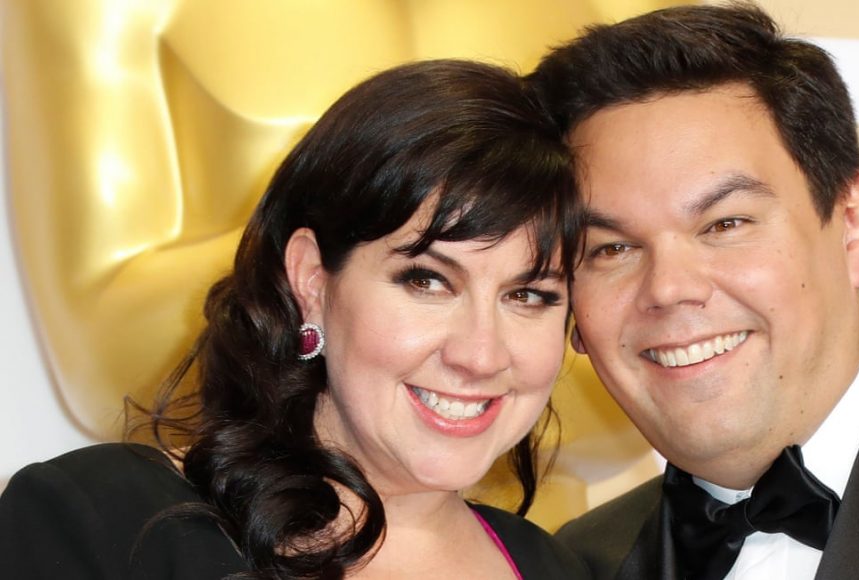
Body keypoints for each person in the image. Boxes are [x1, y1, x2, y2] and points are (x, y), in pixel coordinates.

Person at [529, 3, 859, 579]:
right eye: (611, 249)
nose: (669, 288)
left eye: (725, 224)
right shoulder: (575, 563)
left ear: (853, 225)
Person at [0, 59, 589, 579]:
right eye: (426, 281)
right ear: (311, 280)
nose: (481, 354)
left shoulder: (557, 568)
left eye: (529, 295)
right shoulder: (99, 520)